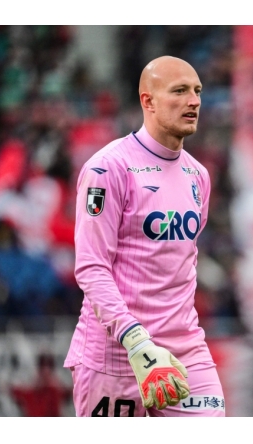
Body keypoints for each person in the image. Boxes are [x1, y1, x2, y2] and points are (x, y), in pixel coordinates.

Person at [63, 56, 225, 417]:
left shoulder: (199, 175)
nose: (194, 100)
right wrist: (136, 342)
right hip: (117, 355)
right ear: (147, 101)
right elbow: (91, 267)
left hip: (185, 353)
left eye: (197, 91)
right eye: (179, 91)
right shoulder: (107, 169)